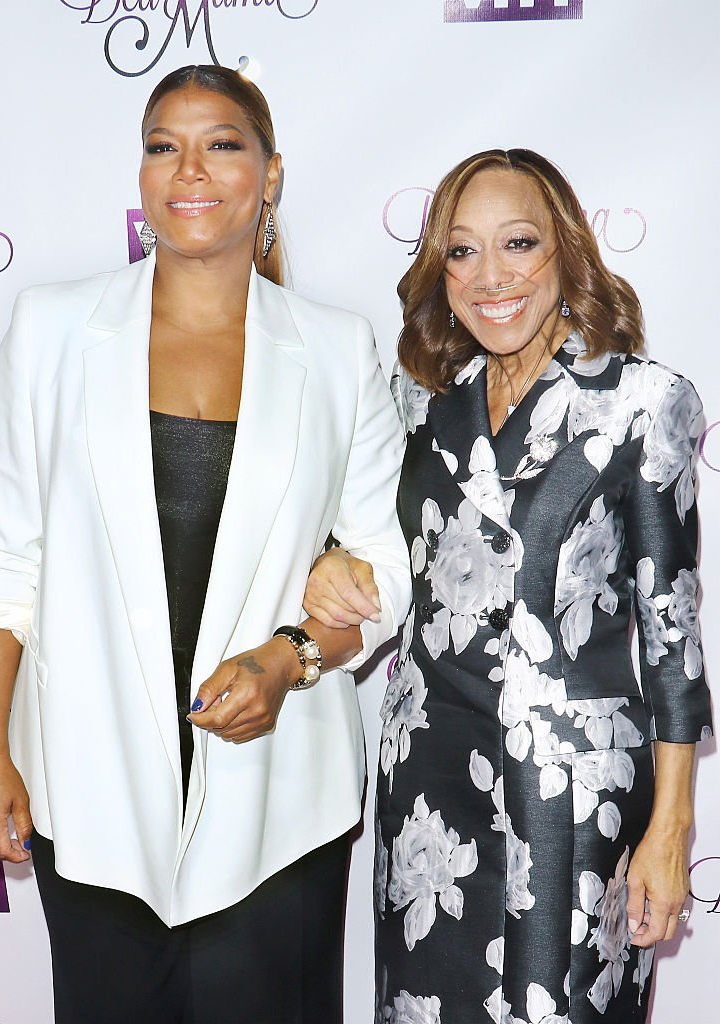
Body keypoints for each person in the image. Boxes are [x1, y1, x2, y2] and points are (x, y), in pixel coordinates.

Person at [0, 64, 410, 1024]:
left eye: (222, 143)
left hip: (281, 803)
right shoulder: (48, 329)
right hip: (87, 788)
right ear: (141, 172)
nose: (189, 169)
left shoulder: (338, 348)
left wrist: (288, 661)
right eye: (163, 145)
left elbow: (380, 572)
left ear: (271, 174)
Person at [304, 148, 712, 1024]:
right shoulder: (417, 400)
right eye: (461, 251)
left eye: (517, 243)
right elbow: (366, 540)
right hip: (425, 788)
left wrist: (670, 827)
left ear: (565, 250)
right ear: (438, 271)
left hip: (565, 792)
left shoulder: (644, 403)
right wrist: (334, 558)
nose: (490, 275)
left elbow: (672, 636)